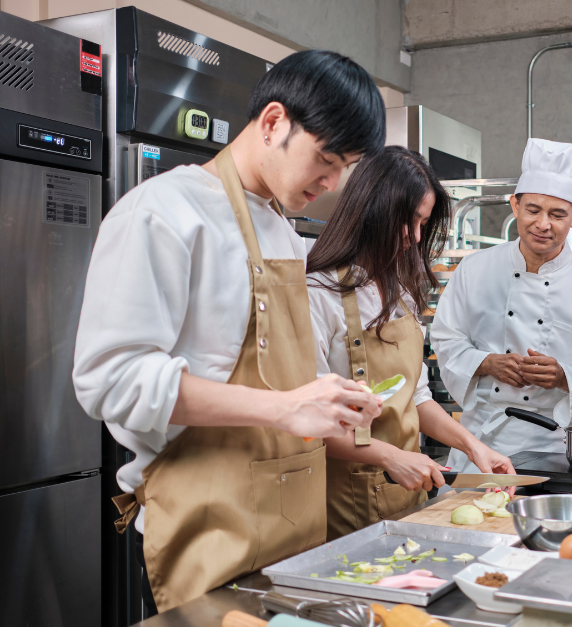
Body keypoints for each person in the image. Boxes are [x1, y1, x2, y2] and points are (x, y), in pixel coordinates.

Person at [72, 50, 385, 615]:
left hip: (292, 529)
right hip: (210, 529)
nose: (334, 183)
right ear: (272, 123)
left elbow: (291, 377)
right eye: (327, 159)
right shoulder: (164, 210)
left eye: (346, 168)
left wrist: (330, 398)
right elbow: (110, 380)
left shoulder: (287, 236)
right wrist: (282, 408)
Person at [305, 146, 516, 540]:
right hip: (343, 506)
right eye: (410, 222)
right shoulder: (318, 292)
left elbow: (416, 399)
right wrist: (391, 456)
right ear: (373, 210)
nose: (415, 238)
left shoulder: (397, 291)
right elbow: (309, 423)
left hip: (406, 497)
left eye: (423, 224)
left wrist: (474, 449)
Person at [430, 139, 572, 472]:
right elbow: (445, 339)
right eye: (533, 210)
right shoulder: (474, 269)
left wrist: (563, 377)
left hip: (549, 449)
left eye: (557, 214)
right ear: (515, 205)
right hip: (478, 443)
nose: (542, 224)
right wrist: (487, 362)